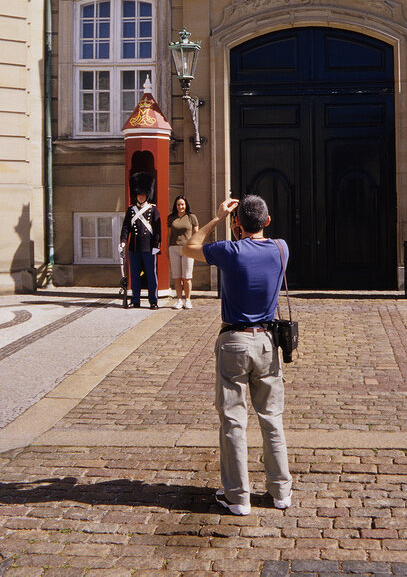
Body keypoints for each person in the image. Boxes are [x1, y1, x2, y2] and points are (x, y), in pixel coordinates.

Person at [182, 194, 292, 515]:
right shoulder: (281, 249)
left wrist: (216, 219)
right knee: (272, 418)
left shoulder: (230, 250)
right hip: (268, 343)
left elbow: (189, 248)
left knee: (233, 420)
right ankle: (280, 491)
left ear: (237, 223)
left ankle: (238, 496)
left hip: (233, 340)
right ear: (267, 221)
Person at [119, 173, 160, 309]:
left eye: (143, 194)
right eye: (139, 194)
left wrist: (156, 246)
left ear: (147, 195)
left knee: (151, 276)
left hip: (149, 248)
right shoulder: (131, 210)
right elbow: (126, 227)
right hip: (134, 248)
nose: (141, 196)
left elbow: (157, 229)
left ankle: (153, 301)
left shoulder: (153, 210)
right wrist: (123, 241)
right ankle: (135, 300)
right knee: (135, 275)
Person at [167, 195, 199, 310]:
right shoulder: (171, 218)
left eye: (182, 204)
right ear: (176, 206)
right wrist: (167, 248)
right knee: (177, 277)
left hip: (188, 249)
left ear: (186, 205)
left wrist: (195, 248)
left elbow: (196, 234)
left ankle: (188, 300)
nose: (180, 206)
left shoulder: (191, 217)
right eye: (178, 204)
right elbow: (169, 235)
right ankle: (179, 300)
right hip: (174, 248)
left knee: (187, 277)